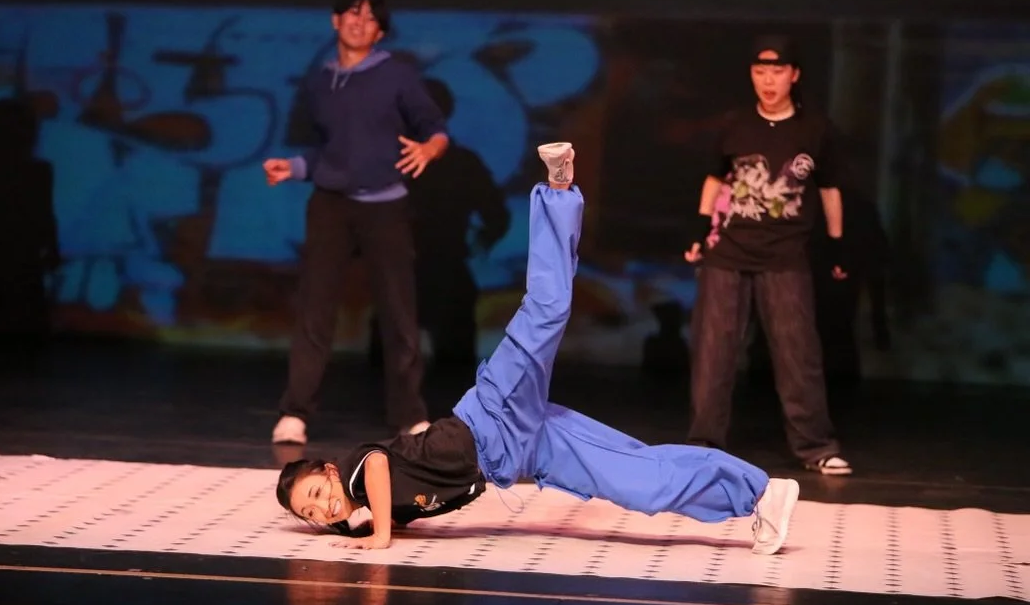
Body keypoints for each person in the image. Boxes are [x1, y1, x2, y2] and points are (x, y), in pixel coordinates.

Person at [275, 142, 800, 556]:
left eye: (316, 496)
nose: (321, 510)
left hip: (492, 414)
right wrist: (357, 525)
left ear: (326, 473)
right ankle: (762, 494)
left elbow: (379, 468)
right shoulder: (358, 508)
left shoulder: (355, 472)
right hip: (524, 451)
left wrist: (380, 534)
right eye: (311, 514)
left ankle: (557, 187)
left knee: (545, 310)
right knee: (639, 482)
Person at [264, 0, 449, 445]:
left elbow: (436, 129)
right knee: (315, 309)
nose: (358, 22)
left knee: (399, 313)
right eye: (351, 13)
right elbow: (325, 148)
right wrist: (295, 168)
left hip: (386, 205)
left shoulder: (397, 75)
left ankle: (409, 414)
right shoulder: (320, 79)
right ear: (335, 21)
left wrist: (429, 148)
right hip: (331, 204)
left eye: (368, 18)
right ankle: (295, 413)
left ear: (379, 31)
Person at [684, 34, 850, 476]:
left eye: (777, 72)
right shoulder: (734, 125)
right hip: (728, 253)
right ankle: (704, 445)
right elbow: (714, 179)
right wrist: (701, 231)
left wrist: (836, 244)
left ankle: (816, 447)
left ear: (793, 75)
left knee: (798, 355)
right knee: (714, 352)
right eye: (760, 72)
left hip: (785, 255)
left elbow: (830, 189)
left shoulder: (815, 129)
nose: (768, 81)